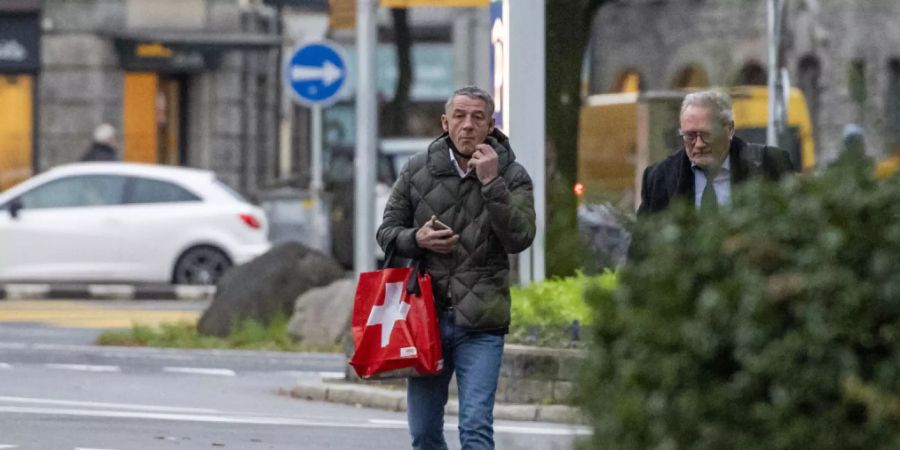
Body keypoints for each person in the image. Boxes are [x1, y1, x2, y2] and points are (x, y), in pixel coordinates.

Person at [376, 85, 536, 449]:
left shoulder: (513, 176)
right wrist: (417, 239)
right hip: (423, 318)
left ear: (490, 125)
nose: (468, 125)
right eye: (460, 117)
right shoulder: (417, 170)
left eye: (477, 118)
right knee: (424, 432)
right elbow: (386, 232)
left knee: (476, 426)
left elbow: (520, 238)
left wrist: (492, 183)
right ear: (445, 122)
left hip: (481, 321)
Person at [638, 89, 794, 214]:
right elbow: (642, 246)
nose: (698, 144)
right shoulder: (658, 178)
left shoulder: (771, 165)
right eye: (690, 136)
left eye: (707, 135)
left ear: (730, 130)